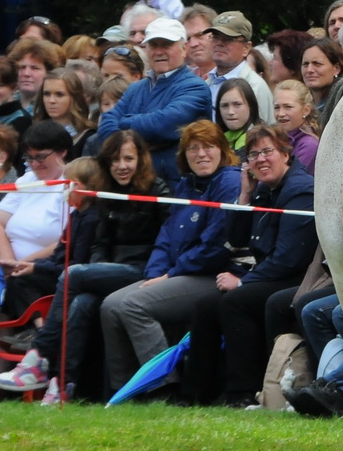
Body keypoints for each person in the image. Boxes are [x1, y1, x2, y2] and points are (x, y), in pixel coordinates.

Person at [0, 129, 170, 401]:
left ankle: (39, 357)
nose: (121, 166)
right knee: (82, 302)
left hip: (144, 270)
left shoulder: (158, 190)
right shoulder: (105, 194)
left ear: (141, 159)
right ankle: (65, 386)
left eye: (128, 158)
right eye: (114, 160)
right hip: (110, 271)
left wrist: (93, 273)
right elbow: (100, 245)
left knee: (73, 274)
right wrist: (97, 274)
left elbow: (167, 240)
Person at [97, 121, 242, 396]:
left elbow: (214, 246)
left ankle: (165, 388)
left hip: (210, 275)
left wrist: (170, 274)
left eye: (208, 147)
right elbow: (166, 237)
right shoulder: (185, 185)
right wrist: (156, 272)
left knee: (134, 305)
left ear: (222, 151)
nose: (201, 154)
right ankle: (125, 391)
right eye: (193, 148)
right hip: (177, 272)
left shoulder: (229, 181)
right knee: (111, 305)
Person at [183, 125, 317, 406]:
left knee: (237, 300)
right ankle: (195, 395)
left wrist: (244, 281)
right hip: (272, 272)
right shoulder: (262, 190)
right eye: (254, 154)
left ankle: (242, 392)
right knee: (205, 306)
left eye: (268, 151)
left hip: (301, 277)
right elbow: (235, 238)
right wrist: (244, 197)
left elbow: (289, 258)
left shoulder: (300, 191)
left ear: (286, 154)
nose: (260, 160)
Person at [95, 17, 212, 181]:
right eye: (153, 45)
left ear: (184, 48)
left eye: (166, 44)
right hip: (135, 182)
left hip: (174, 186)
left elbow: (164, 124)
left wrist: (125, 125)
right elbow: (106, 127)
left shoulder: (195, 87)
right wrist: (145, 137)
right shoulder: (135, 88)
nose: (159, 51)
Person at [0, 121, 71, 320]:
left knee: (19, 281)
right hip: (9, 264)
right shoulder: (26, 180)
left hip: (48, 266)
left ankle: (38, 332)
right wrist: (11, 264)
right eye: (30, 158)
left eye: (41, 157)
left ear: (63, 152)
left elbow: (67, 240)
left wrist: (20, 265)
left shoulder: (73, 183)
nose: (34, 164)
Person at [204, 12, 273, 119]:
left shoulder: (254, 87)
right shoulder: (207, 83)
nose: (219, 43)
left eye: (228, 39)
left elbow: (259, 133)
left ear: (246, 48)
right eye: (215, 37)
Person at [34, 69, 95, 159]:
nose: (51, 100)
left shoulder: (88, 138)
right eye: (46, 94)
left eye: (59, 94)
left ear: (74, 97)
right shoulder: (33, 133)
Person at [271, 80, 321, 170]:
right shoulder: (273, 137)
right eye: (277, 107)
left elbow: (294, 180)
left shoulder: (309, 145)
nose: (281, 113)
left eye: (288, 107)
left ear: (306, 110)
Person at [8, 37, 63, 116]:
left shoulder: (54, 109)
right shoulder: (4, 103)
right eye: (22, 67)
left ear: (48, 72)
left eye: (34, 68)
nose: (27, 73)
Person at [300, 37, 343, 114]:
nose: (309, 70)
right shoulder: (300, 105)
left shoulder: (342, 104)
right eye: (305, 64)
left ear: (336, 69)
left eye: (317, 64)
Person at [215, 78, 260, 153]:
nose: (230, 112)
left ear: (251, 106)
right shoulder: (213, 142)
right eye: (224, 106)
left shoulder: (262, 140)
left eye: (237, 104)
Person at [182, 4, 220, 92]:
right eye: (188, 39)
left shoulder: (234, 77)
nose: (193, 44)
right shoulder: (184, 80)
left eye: (200, 35)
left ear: (217, 34)